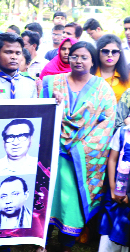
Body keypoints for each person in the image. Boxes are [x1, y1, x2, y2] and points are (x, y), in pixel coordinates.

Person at [41, 41, 115, 251]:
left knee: (72, 205)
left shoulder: (103, 89)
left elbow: (106, 125)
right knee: (47, 199)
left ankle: (66, 245)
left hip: (81, 160)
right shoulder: (50, 83)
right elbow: (41, 116)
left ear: (92, 61)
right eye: (74, 56)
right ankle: (41, 242)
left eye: (84, 57)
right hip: (52, 156)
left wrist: (79, 148)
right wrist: (52, 104)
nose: (78, 61)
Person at [98, 124, 130, 252]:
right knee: (110, 227)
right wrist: (112, 188)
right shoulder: (122, 132)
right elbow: (112, 159)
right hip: (117, 191)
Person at [92, 34, 130, 101]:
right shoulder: (89, 74)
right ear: (98, 52)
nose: (110, 55)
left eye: (114, 52)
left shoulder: (127, 75)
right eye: (105, 51)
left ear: (120, 54)